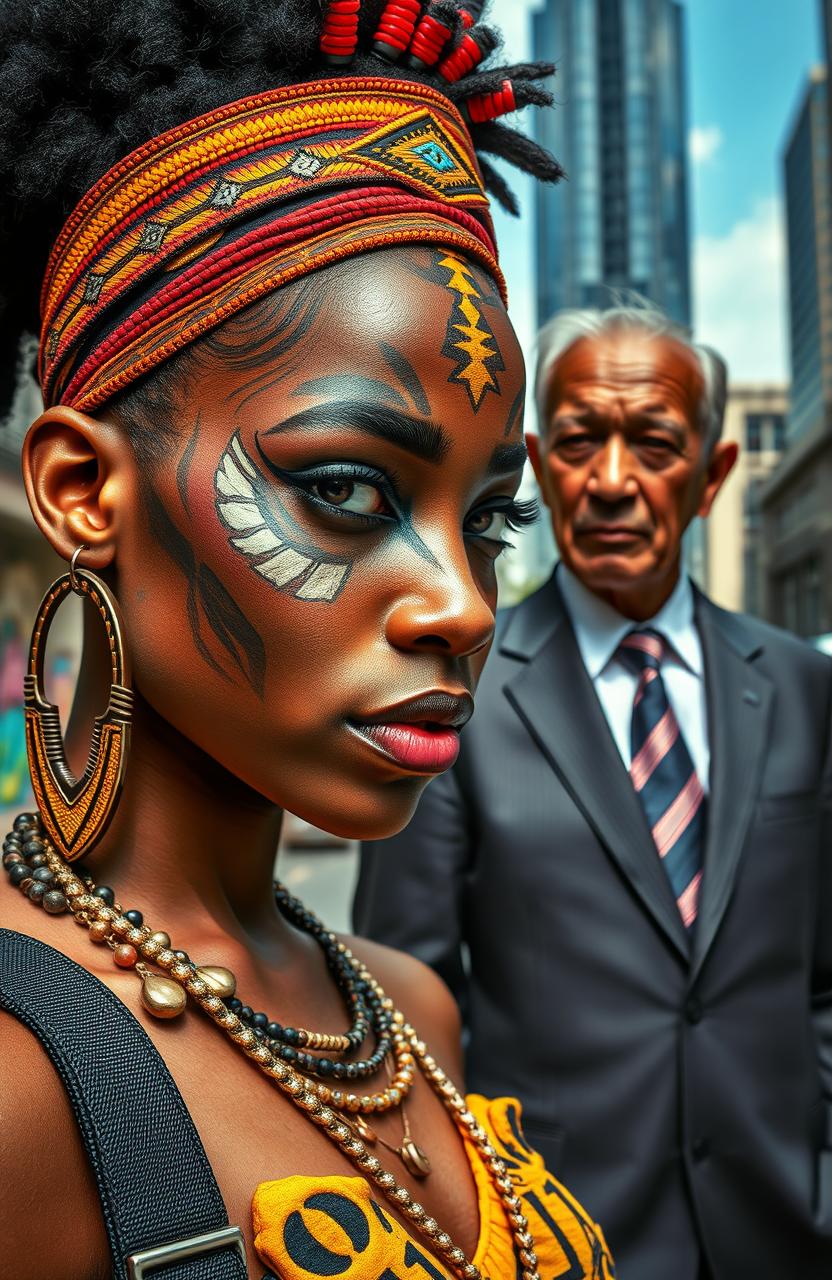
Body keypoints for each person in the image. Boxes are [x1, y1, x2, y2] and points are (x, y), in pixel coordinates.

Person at [0, 5, 617, 1280]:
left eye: (490, 517)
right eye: (344, 488)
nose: (461, 602)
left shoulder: (411, 1010)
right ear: (81, 488)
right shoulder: (20, 1087)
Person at [354, 302, 832, 1279]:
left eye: (652, 442)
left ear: (711, 476)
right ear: (537, 458)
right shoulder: (450, 694)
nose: (611, 480)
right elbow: (406, 1004)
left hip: (788, 1228)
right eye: (578, 441)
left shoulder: (802, 687)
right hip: (560, 1240)